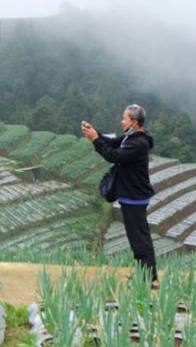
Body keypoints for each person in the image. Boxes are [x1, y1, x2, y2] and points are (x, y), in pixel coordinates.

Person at [81, 104, 158, 289]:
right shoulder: (132, 138)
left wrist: (94, 141)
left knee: (139, 240)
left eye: (124, 118)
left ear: (134, 122)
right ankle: (148, 277)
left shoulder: (138, 143)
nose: (121, 121)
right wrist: (95, 133)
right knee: (139, 238)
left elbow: (113, 155)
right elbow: (113, 143)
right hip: (131, 195)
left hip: (134, 197)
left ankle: (150, 280)